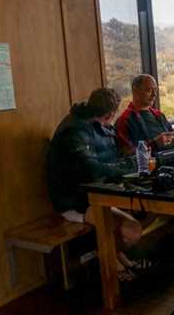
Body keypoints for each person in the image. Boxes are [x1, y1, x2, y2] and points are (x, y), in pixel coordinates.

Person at [47, 88, 143, 279]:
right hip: (75, 201)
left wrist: (132, 158)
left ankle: (114, 255)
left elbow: (109, 156)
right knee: (132, 230)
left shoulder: (96, 123)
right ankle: (108, 262)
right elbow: (91, 168)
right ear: (110, 114)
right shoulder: (73, 131)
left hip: (97, 194)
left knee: (136, 214)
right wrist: (128, 167)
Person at [114, 74, 174, 153]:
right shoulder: (124, 120)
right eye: (149, 90)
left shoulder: (159, 115)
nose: (154, 95)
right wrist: (154, 144)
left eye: (155, 90)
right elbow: (126, 153)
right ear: (135, 91)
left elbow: (172, 136)